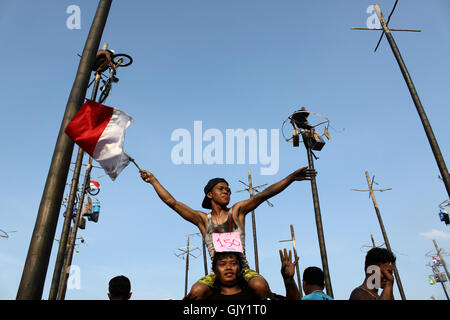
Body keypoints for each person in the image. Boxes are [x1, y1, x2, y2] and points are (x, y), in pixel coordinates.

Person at [140, 167, 316, 300]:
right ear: (210, 194)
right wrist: (154, 180)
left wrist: (291, 178)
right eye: (221, 188)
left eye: (228, 189)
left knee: (260, 286)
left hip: (243, 270)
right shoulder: (203, 219)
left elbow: (263, 195)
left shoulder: (237, 211)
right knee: (196, 292)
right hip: (217, 273)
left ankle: (273, 296)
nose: (226, 191)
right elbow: (172, 202)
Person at [206, 250, 301, 300]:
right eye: (223, 264)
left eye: (233, 263)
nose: (228, 267)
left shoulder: (259, 296)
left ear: (241, 269)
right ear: (214, 270)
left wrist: (289, 281)